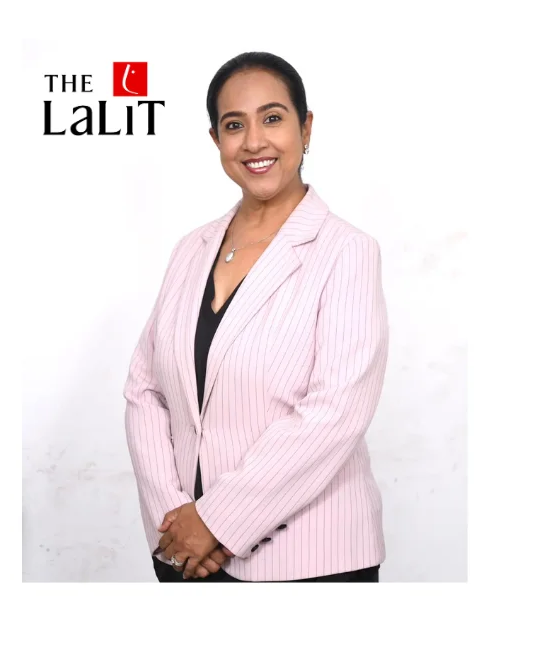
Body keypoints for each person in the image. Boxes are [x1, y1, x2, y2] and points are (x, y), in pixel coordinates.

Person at [124, 52, 389, 582]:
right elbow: (145, 390)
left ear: (305, 128)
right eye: (233, 125)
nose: (253, 141)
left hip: (309, 559)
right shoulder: (190, 249)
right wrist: (174, 519)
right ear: (216, 140)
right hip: (186, 556)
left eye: (272, 118)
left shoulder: (346, 250)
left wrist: (216, 522)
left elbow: (335, 411)